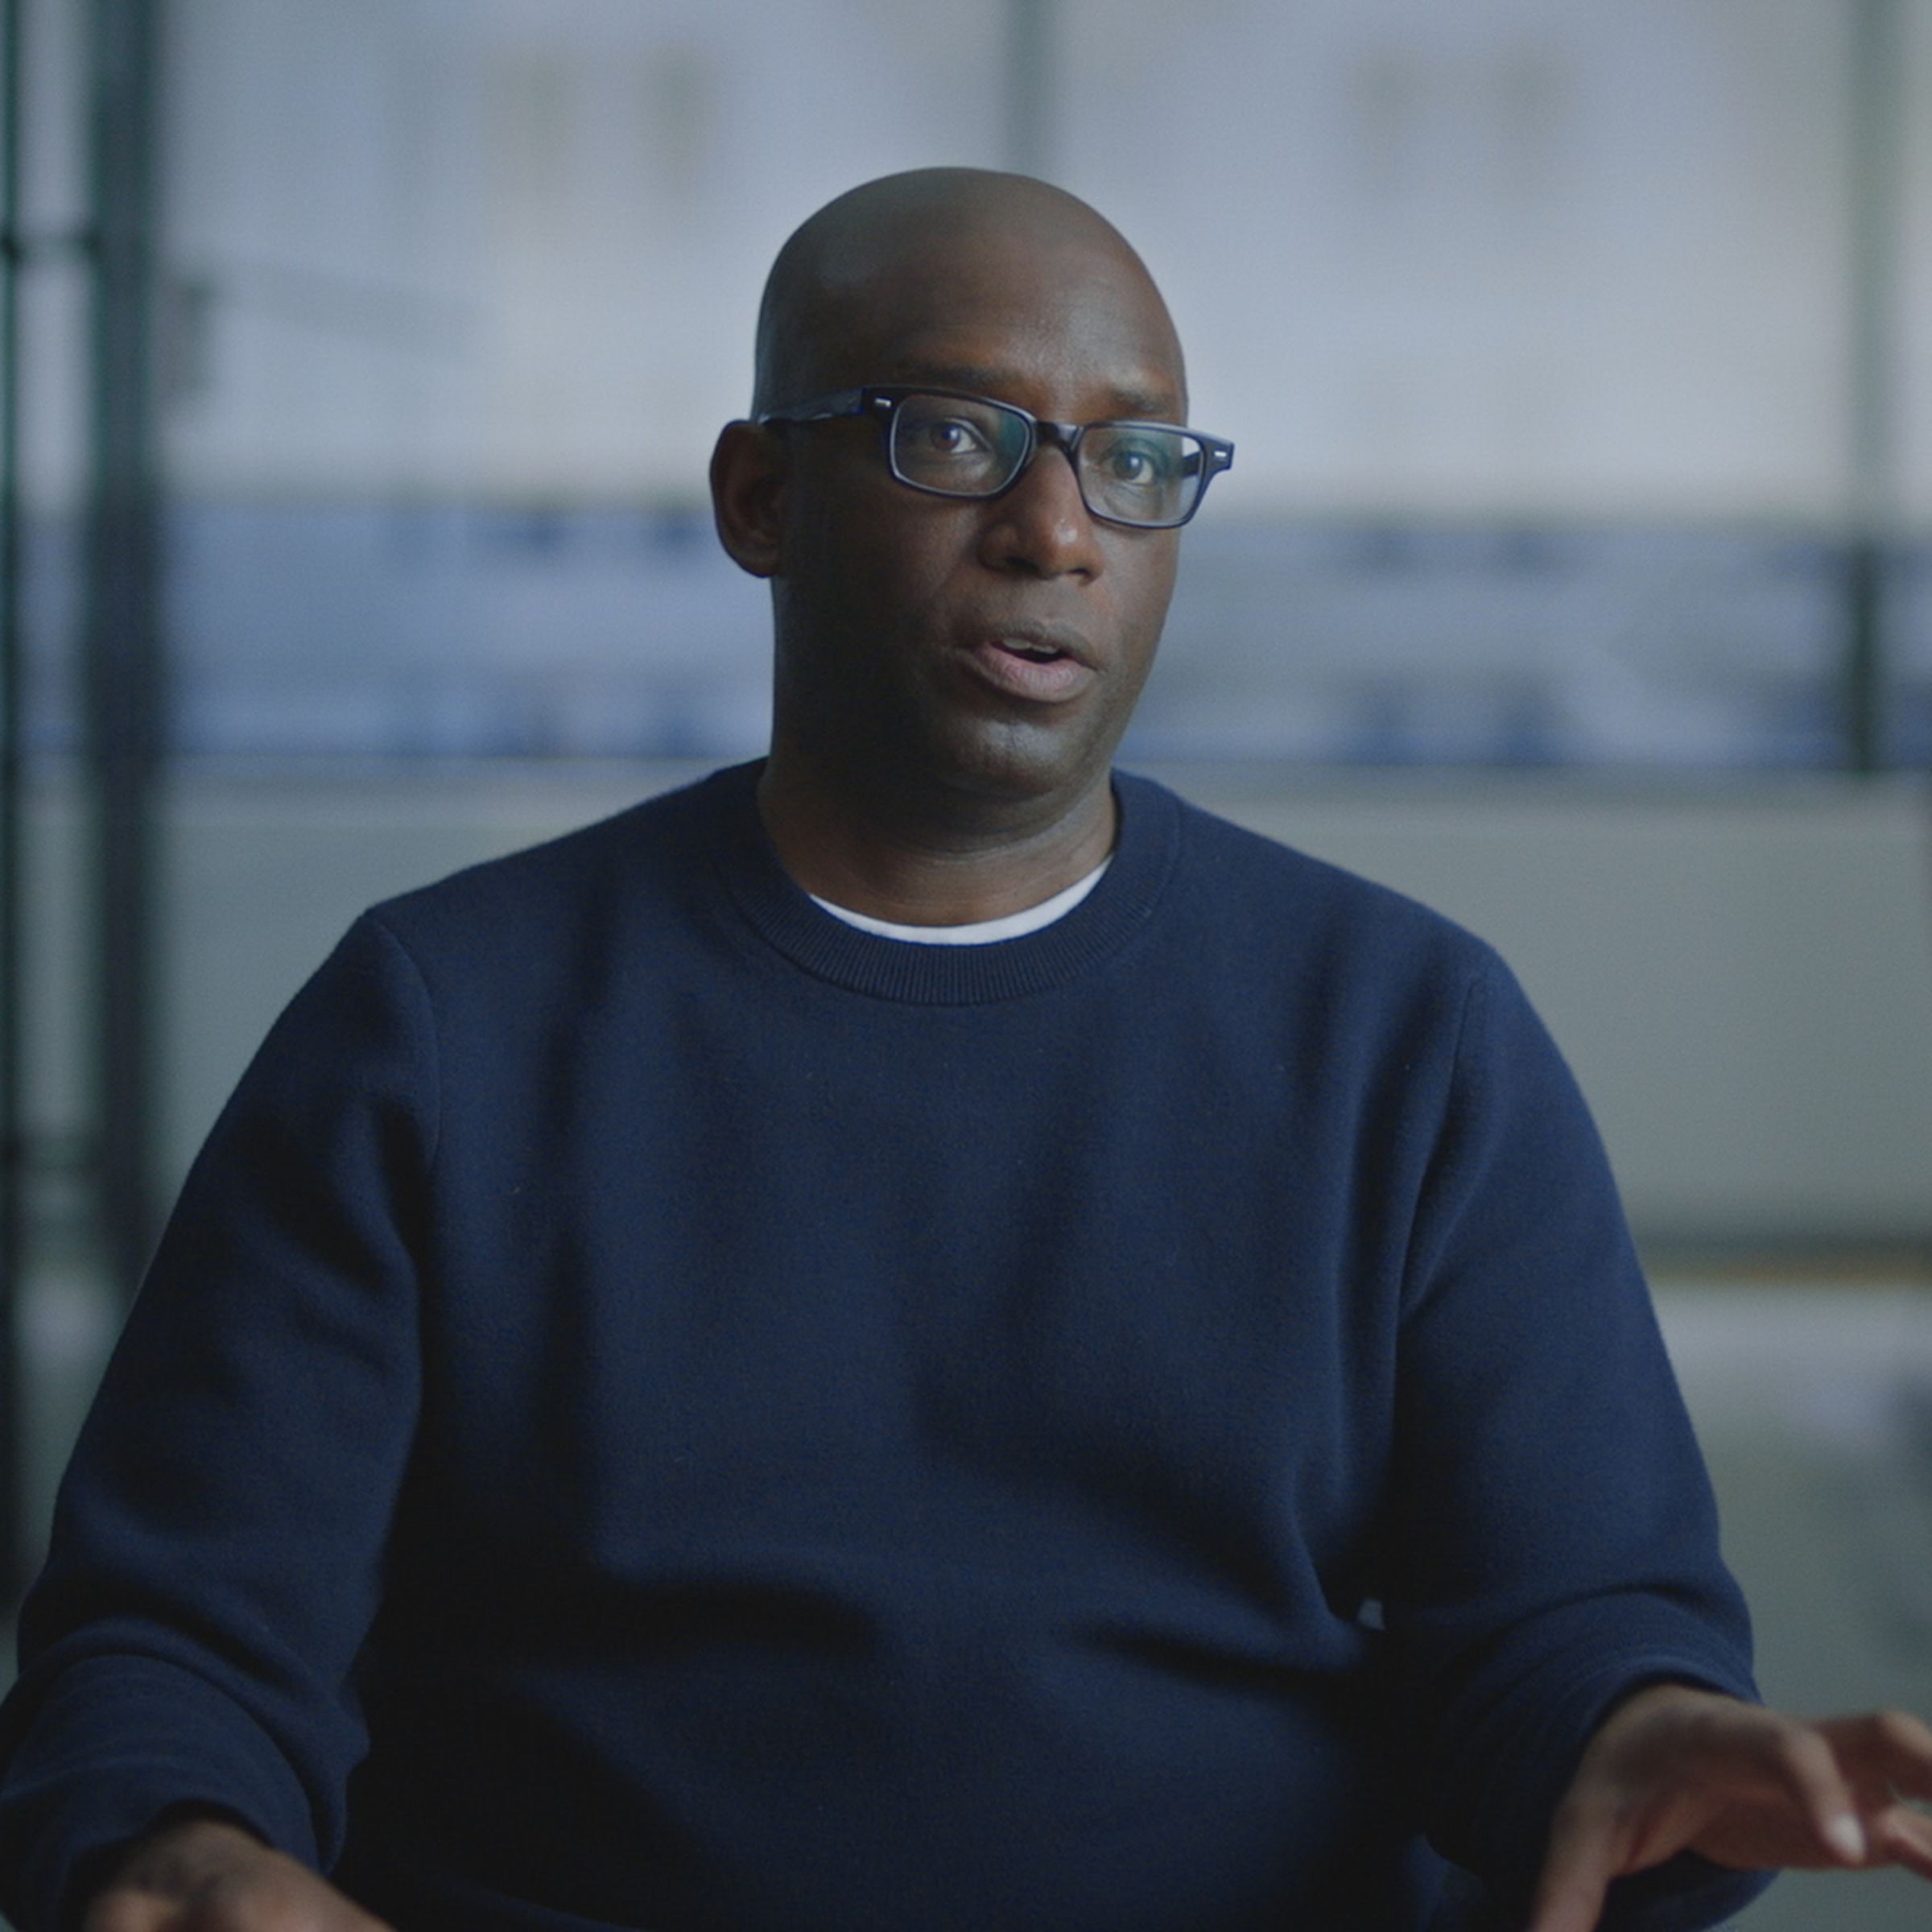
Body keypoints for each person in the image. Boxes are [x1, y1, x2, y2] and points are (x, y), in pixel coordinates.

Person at [2, 167, 1930, 1932]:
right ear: (760, 499)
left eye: (1135, 459)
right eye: (955, 435)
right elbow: (177, 1644)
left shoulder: (1408, 1040)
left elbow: (1565, 1626)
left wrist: (1641, 1735)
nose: (1057, 531)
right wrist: (185, 1844)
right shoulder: (440, 1023)